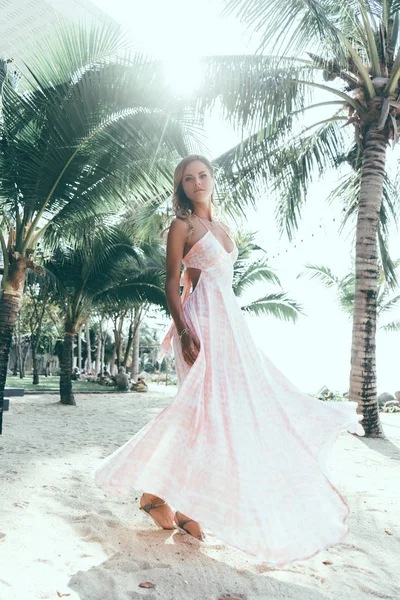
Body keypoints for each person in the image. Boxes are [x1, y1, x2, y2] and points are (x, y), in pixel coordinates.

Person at [94, 155, 364, 566]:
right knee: (199, 414)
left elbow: (205, 278)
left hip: (230, 329)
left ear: (212, 179)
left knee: (227, 414)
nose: (197, 182)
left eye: (203, 175)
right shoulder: (180, 227)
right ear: (181, 186)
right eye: (189, 178)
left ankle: (167, 498)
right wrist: (184, 331)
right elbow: (171, 281)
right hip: (199, 329)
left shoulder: (222, 228)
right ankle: (164, 497)